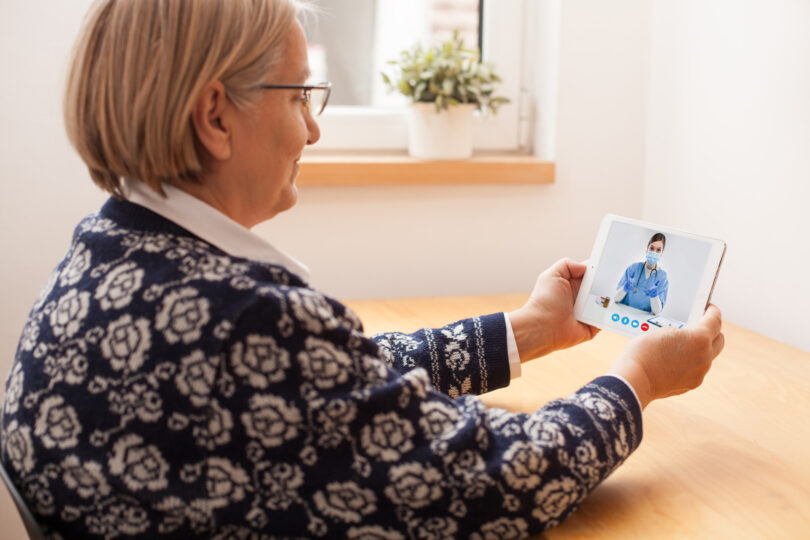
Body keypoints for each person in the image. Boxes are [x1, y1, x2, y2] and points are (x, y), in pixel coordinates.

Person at [0, 1, 724, 538]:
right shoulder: (249, 318)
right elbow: (492, 483)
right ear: (215, 116)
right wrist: (640, 379)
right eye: (300, 95)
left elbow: (335, 385)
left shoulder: (108, 253)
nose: (313, 129)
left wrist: (527, 330)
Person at [614, 233, 670, 315]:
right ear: (647, 249)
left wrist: (654, 296)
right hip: (623, 313)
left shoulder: (662, 277)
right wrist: (624, 288)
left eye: (658, 250)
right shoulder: (633, 268)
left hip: (642, 320)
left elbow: (657, 311)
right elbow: (616, 299)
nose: (654, 252)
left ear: (662, 253)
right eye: (651, 248)